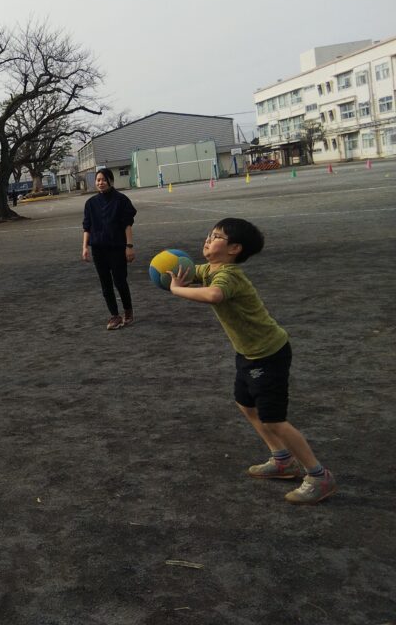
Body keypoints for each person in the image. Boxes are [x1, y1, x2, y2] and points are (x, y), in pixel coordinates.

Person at [167, 218, 337, 505]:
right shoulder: (209, 269)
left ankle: (319, 476)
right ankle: (282, 460)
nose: (208, 239)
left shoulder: (229, 275)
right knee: (245, 404)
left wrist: (176, 290)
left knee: (275, 420)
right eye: (210, 234)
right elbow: (188, 271)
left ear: (234, 249)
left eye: (216, 236)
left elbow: (213, 295)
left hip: (268, 354)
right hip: (248, 354)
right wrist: (167, 269)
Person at [81, 167, 136, 330]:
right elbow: (87, 227)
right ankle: (114, 315)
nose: (101, 183)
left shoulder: (121, 200)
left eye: (104, 180)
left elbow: (127, 224)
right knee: (105, 284)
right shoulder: (90, 203)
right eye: (98, 180)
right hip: (98, 249)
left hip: (117, 248)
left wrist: (129, 246)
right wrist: (85, 247)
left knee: (120, 281)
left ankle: (128, 311)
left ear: (111, 181)